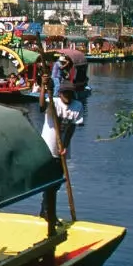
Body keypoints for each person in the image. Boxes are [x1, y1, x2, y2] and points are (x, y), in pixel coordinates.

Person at [40, 86, 85, 227]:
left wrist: (65, 145)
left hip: (62, 150)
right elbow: (41, 107)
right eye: (65, 93)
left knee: (57, 182)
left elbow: (72, 126)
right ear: (60, 94)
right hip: (48, 147)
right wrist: (43, 87)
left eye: (70, 94)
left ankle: (45, 210)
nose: (68, 96)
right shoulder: (53, 102)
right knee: (50, 182)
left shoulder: (77, 106)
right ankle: (48, 213)